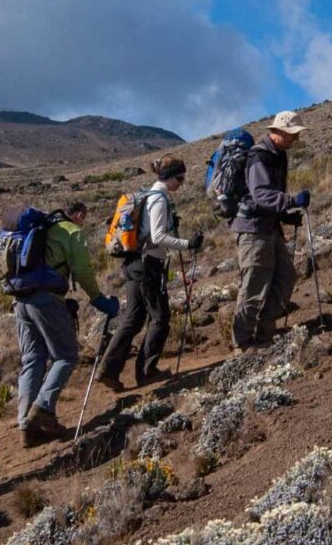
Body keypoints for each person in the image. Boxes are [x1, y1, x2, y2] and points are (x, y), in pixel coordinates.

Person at [15, 202, 119, 445]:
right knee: (66, 355)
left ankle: (26, 426)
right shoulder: (72, 232)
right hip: (46, 299)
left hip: (20, 300)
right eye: (84, 218)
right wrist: (99, 300)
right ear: (79, 215)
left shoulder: (43, 229)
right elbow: (83, 271)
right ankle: (42, 408)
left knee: (33, 359)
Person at [98, 157, 202, 387]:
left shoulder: (148, 196)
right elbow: (157, 237)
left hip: (134, 263)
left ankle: (108, 370)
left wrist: (169, 223)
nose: (182, 183)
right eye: (180, 178)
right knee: (160, 317)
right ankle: (147, 371)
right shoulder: (159, 199)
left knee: (133, 318)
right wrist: (188, 244)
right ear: (170, 177)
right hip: (148, 265)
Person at [230, 111, 309, 353]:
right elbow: (260, 194)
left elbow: (266, 196)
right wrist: (290, 201)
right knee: (254, 285)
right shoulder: (259, 157)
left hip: (269, 227)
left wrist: (285, 215)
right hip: (253, 229)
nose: (295, 139)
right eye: (292, 134)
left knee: (286, 277)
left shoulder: (278, 155)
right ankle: (242, 343)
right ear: (278, 132)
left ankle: (265, 333)